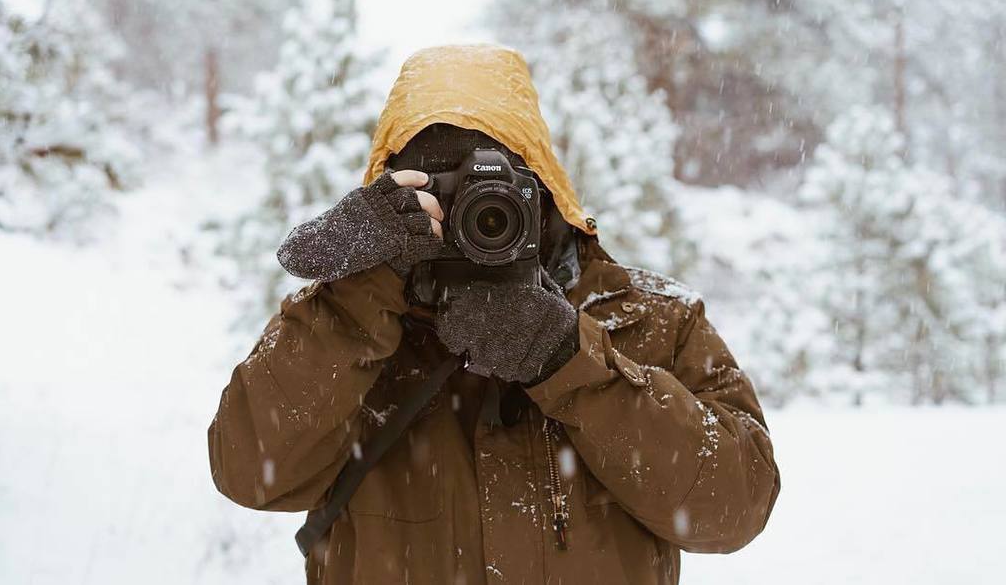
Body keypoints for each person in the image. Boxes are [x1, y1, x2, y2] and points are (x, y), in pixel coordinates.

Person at [208, 44, 780, 584]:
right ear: (392, 191)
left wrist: (567, 358)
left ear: (545, 187)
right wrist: (359, 295)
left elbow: (734, 505)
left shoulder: (647, 320)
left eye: (499, 191)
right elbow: (250, 472)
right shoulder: (358, 328)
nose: (473, 216)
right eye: (445, 190)